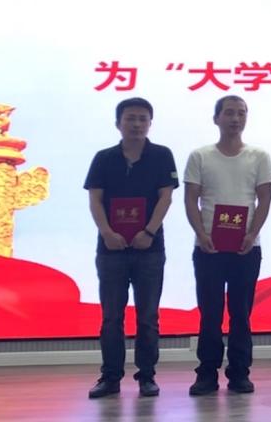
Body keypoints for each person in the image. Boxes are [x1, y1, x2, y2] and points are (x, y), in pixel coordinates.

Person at [84, 97, 178, 399]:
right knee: (111, 317)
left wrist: (149, 231)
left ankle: (147, 376)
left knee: (148, 317)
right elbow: (95, 199)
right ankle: (110, 377)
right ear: (118, 123)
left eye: (142, 119)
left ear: (150, 123)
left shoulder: (162, 155)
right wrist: (107, 232)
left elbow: (166, 197)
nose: (136, 124)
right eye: (130, 118)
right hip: (111, 249)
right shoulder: (103, 158)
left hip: (149, 248)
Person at [183, 96, 271, 395]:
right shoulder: (200, 156)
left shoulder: (258, 156)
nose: (235, 119)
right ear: (216, 118)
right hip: (208, 247)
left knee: (241, 314)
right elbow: (191, 199)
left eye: (241, 113)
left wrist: (252, 234)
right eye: (229, 113)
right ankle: (207, 374)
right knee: (210, 313)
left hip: (246, 248)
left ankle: (239, 373)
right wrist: (201, 233)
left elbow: (265, 199)